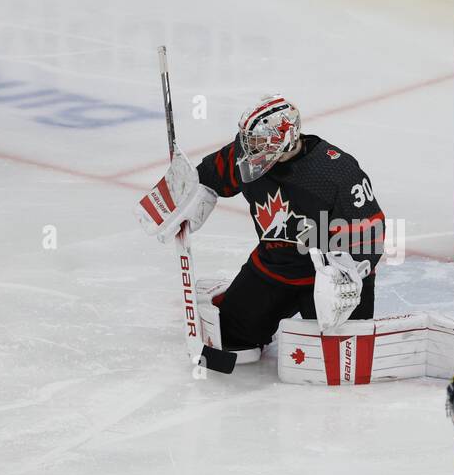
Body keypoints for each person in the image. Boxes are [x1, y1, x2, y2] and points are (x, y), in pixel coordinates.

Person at [138, 94, 386, 353]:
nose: (248, 148)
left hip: (326, 277)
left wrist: (348, 276)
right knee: (231, 335)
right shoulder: (247, 155)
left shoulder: (335, 172)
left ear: (284, 138)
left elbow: (370, 233)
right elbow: (211, 175)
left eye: (257, 142)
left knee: (338, 355)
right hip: (275, 267)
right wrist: (182, 193)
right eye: (248, 140)